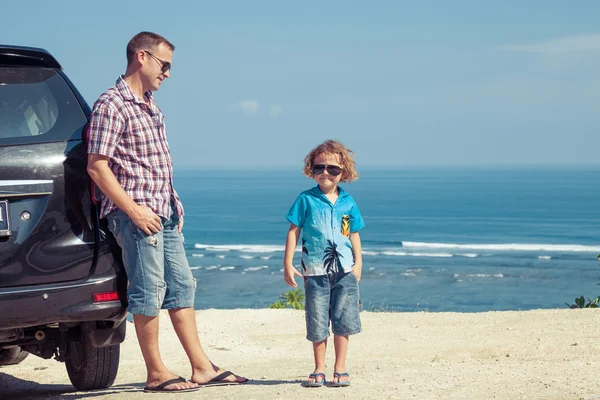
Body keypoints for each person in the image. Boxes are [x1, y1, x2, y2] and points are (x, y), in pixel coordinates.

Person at [87, 31, 247, 393]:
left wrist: (174, 203)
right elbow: (97, 167)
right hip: (136, 216)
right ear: (141, 57)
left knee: (182, 287)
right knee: (148, 289)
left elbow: (154, 164)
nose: (168, 74)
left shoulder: (150, 104)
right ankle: (156, 372)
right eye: (165, 65)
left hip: (165, 213)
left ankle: (201, 367)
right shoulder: (112, 104)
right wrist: (133, 211)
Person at [283, 139, 364, 387]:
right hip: (315, 271)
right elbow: (293, 231)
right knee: (317, 320)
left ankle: (340, 367)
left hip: (345, 271)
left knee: (343, 320)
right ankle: (319, 368)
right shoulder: (305, 200)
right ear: (311, 170)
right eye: (319, 168)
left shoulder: (347, 202)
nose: (325, 173)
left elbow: (350, 233)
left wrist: (359, 262)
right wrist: (287, 263)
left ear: (344, 172)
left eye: (333, 169)